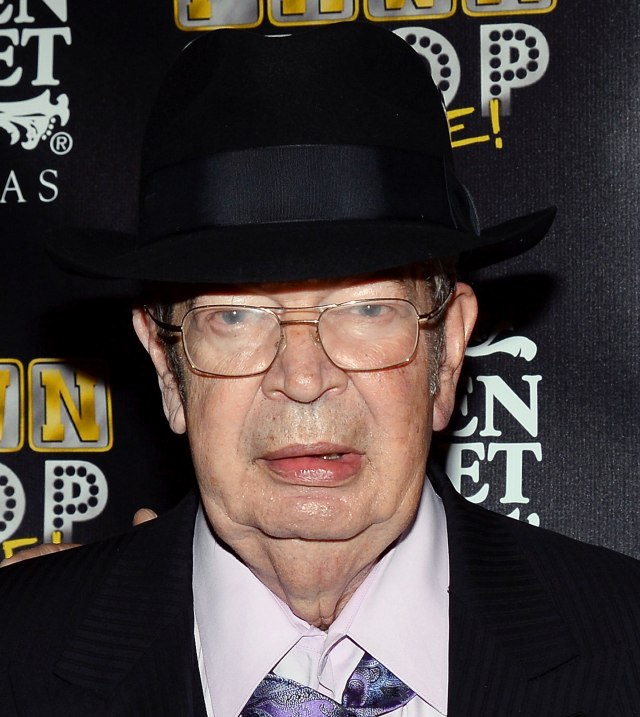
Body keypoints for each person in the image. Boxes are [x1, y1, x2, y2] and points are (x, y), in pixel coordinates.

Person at [2, 22, 640, 717]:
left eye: (367, 309)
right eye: (235, 315)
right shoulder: (19, 656)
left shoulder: (625, 647)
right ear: (165, 361)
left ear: (449, 349)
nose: (304, 379)